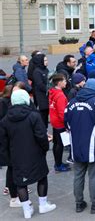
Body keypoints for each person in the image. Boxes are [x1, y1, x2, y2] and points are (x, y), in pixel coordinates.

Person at [0, 89, 56, 218]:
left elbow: (3, 141)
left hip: (16, 155)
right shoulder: (33, 116)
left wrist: (8, 157)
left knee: (20, 183)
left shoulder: (5, 120)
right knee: (42, 177)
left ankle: (26, 210)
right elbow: (41, 135)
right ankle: (43, 205)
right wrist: (45, 147)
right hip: (35, 153)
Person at [64, 78, 95, 214]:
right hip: (93, 145)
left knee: (78, 175)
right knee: (94, 176)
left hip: (76, 145)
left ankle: (79, 203)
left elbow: (66, 122)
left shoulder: (71, 103)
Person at [48, 74, 71, 172]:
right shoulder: (60, 95)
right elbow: (62, 113)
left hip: (54, 121)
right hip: (60, 123)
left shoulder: (52, 92)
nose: (66, 82)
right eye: (64, 81)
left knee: (57, 143)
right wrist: (67, 124)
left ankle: (58, 163)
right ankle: (58, 165)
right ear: (59, 82)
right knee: (59, 145)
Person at [31, 54, 49, 127]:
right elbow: (40, 85)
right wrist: (49, 89)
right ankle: (44, 131)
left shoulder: (45, 69)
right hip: (42, 96)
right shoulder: (37, 72)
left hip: (47, 95)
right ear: (40, 61)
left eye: (46, 60)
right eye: (45, 60)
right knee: (43, 115)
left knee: (47, 113)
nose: (47, 62)